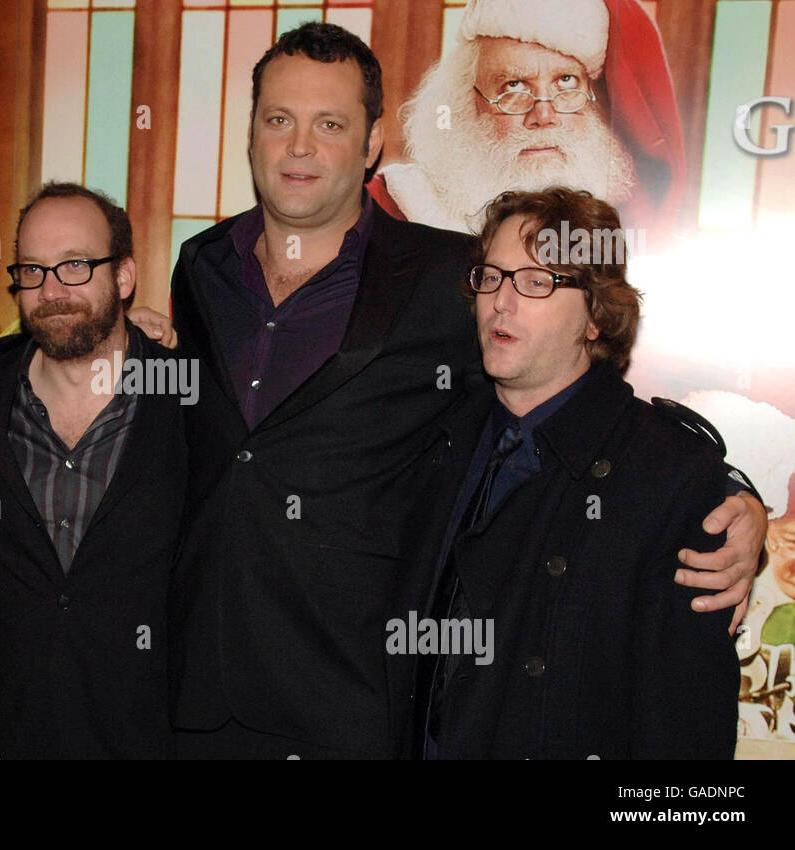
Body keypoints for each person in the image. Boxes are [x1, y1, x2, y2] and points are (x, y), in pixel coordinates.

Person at [168, 22, 762, 759]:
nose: (299, 147)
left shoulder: (446, 277)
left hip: (353, 698)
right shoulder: (200, 267)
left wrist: (731, 498)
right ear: (252, 129)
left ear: (372, 139)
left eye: (330, 124)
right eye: (279, 120)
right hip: (198, 691)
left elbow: (579, 410)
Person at [390, 188, 738, 759]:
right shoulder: (436, 435)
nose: (502, 302)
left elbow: (685, 728)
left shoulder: (667, 474)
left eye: (536, 282)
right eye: (492, 277)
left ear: (597, 316)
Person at [0, 183, 187, 759]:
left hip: (149, 734)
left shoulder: (191, 402)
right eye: (33, 269)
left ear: (123, 279)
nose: (52, 290)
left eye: (76, 265)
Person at [370, 0, 684, 240]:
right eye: (514, 86)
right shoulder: (390, 207)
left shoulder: (630, 226)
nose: (543, 116)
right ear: (466, 103)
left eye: (565, 83)